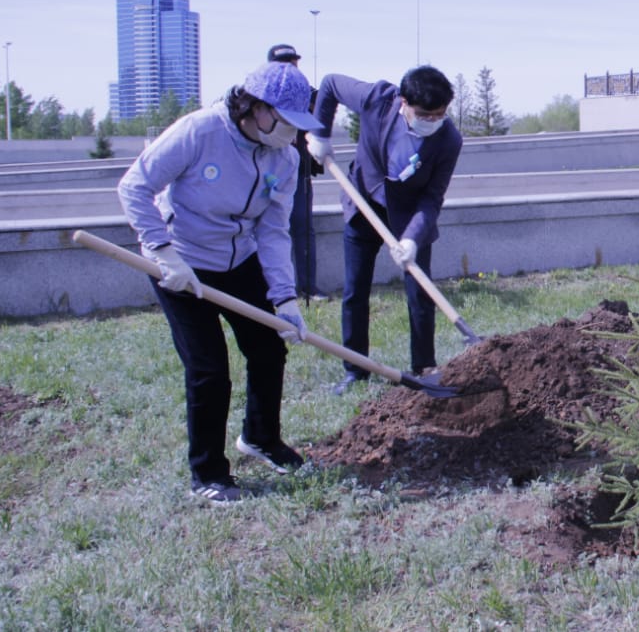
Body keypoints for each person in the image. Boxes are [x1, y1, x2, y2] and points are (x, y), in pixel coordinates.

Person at [118, 61, 324, 504]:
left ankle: (260, 438)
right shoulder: (199, 131)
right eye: (285, 122)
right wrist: (162, 251)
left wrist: (284, 299)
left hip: (238, 259)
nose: (291, 133)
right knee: (209, 369)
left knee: (268, 348)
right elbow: (135, 186)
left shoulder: (285, 158)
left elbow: (272, 231)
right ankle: (208, 474)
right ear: (255, 107)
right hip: (181, 262)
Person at [305, 65, 462, 395]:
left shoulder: (448, 140)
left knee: (420, 293)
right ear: (404, 102)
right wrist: (319, 133)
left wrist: (411, 238)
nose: (433, 121)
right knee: (355, 291)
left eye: (440, 114)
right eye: (425, 114)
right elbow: (331, 83)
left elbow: (433, 197)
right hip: (364, 202)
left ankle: (423, 367)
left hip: (409, 216)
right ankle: (355, 369)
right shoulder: (377, 98)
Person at [266, 43, 326, 302]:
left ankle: (308, 286)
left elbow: (323, 107)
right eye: (284, 63)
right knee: (266, 229)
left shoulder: (307, 94)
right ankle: (270, 290)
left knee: (303, 226)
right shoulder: (262, 94)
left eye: (294, 63)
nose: (291, 67)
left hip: (299, 170)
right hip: (268, 172)